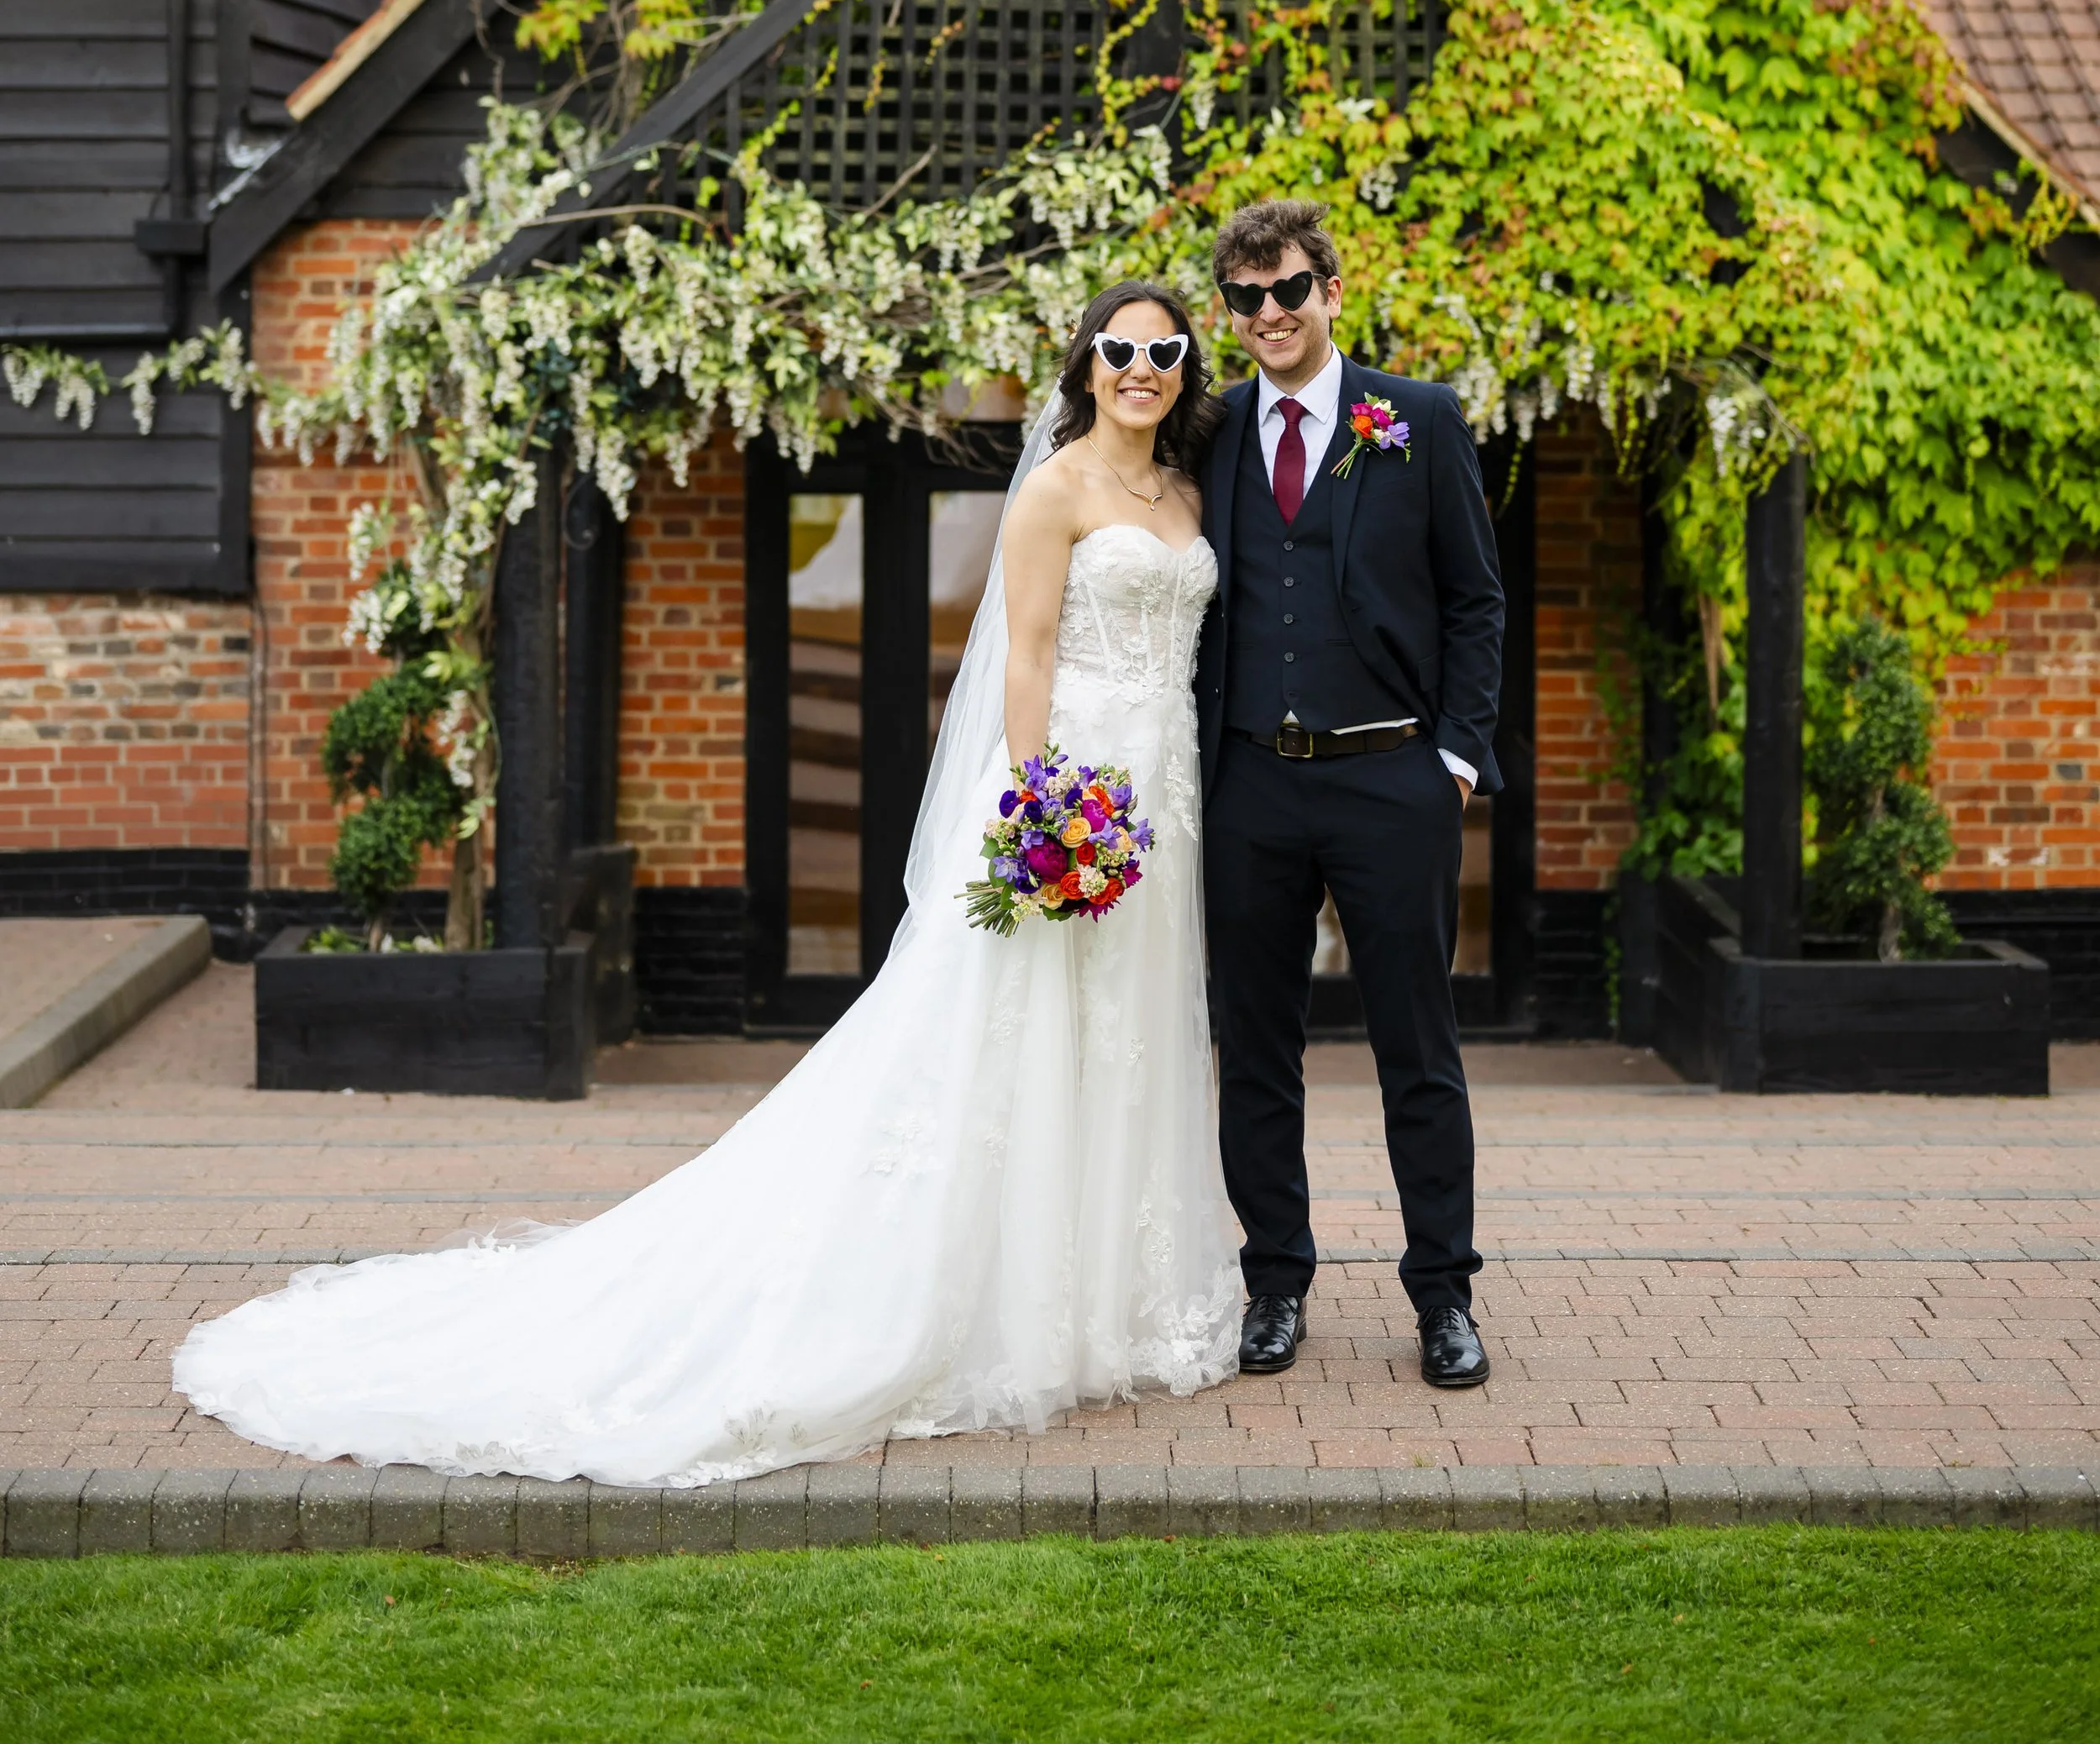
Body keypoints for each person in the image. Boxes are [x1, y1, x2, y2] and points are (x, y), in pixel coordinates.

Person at [172, 285, 1239, 1486]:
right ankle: (980, 1305)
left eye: (1164, 350)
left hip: (1166, 798)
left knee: (1127, 1039)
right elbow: (1028, 654)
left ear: (1184, 365)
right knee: (1020, 1036)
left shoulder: (1190, 492)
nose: (1142, 367)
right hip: (1073, 793)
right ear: (1086, 363)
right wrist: (1042, 811)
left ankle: (1107, 1304)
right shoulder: (1055, 489)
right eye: (1120, 349)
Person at [1194, 197, 1504, 1393]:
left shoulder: (1415, 418)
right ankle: (1275, 1282)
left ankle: (1445, 1295)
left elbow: (1476, 598)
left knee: (1416, 1044)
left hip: (1392, 775)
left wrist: (1458, 758)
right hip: (1249, 784)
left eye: (1287, 290)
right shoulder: (1214, 430)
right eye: (1245, 297)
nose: (1267, 314)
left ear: (1331, 287)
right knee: (1256, 1045)